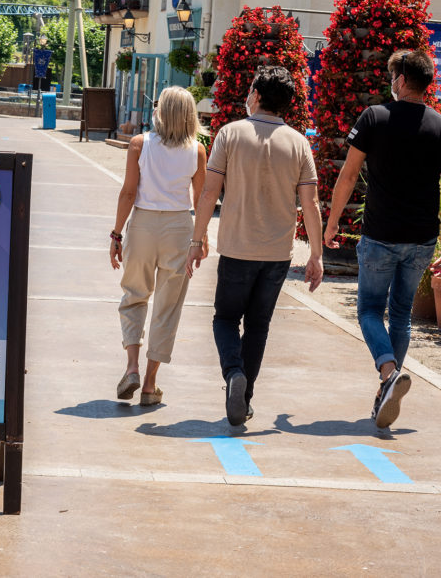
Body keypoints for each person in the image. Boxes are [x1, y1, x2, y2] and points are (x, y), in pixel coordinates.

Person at [323, 49, 441, 429]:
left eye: (392, 76)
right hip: (422, 239)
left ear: (401, 80)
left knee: (369, 310)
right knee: (400, 316)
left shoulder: (374, 117)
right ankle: (388, 387)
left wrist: (332, 222)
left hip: (381, 235)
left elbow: (349, 175)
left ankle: (388, 374)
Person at [187, 66, 324, 426]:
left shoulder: (230, 134)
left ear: (258, 95)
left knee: (226, 319)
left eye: (250, 89)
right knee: (259, 325)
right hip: (277, 253)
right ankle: (244, 399)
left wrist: (196, 239)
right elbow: (310, 204)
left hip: (236, 247)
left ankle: (233, 373)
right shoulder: (298, 142)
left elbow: (209, 192)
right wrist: (316, 255)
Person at [111, 86, 207, 406]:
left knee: (134, 295)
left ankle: (132, 368)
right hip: (179, 227)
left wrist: (116, 234)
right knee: (168, 306)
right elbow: (202, 198)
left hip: (143, 224)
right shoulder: (197, 150)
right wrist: (201, 238)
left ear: (161, 112)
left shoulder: (140, 145)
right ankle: (151, 385)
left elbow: (128, 192)